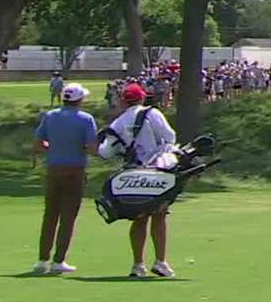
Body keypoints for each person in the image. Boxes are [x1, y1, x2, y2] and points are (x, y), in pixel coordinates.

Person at [103, 82, 179, 278]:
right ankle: (160, 262)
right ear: (142, 98)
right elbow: (170, 137)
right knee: (159, 215)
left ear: (123, 101)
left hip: (133, 173)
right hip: (156, 171)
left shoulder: (118, 122)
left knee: (138, 218)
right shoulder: (152, 114)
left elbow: (106, 151)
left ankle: (138, 265)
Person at [31, 83, 98, 274]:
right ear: (79, 100)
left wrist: (53, 148)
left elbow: (38, 143)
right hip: (74, 170)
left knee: (50, 215)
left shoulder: (50, 116)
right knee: (68, 217)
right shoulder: (86, 119)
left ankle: (42, 260)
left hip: (53, 169)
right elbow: (92, 148)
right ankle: (58, 260)